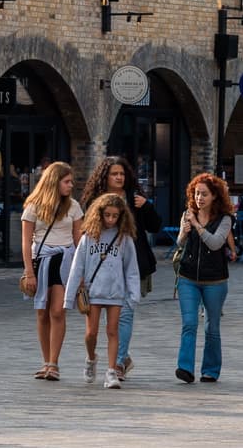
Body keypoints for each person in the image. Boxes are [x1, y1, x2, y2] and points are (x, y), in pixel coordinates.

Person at [80, 156, 161, 379]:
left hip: (133, 265)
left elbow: (156, 226)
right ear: (105, 177)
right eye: (114, 174)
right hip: (101, 269)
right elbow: (86, 233)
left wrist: (148, 206)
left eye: (122, 174)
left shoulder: (136, 199)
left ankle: (116, 364)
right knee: (96, 328)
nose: (119, 177)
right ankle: (118, 357)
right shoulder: (95, 202)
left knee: (124, 315)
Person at [68, 192, 142, 389]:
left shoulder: (124, 239)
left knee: (112, 331)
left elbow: (131, 269)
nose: (110, 219)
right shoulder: (88, 238)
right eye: (107, 215)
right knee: (91, 333)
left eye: (115, 216)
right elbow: (77, 268)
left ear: (121, 216)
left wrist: (133, 295)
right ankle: (91, 358)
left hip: (116, 292)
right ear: (99, 214)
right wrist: (69, 297)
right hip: (93, 292)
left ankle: (111, 371)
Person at [21, 161, 80, 380]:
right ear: (54, 182)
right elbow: (27, 242)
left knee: (57, 311)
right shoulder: (33, 206)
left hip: (64, 260)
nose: (70, 185)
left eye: (71, 181)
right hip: (41, 261)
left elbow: (79, 239)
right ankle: (45, 361)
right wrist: (29, 272)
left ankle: (54, 363)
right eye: (66, 181)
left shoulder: (73, 206)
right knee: (42, 312)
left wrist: (81, 271)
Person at [176, 172, 235, 384]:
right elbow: (180, 244)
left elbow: (215, 243)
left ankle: (210, 370)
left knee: (212, 327)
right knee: (189, 323)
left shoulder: (225, 219)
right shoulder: (188, 213)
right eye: (196, 193)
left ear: (215, 196)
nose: (199, 198)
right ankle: (185, 368)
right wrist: (184, 232)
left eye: (204, 194)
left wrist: (198, 227)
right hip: (188, 277)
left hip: (215, 281)